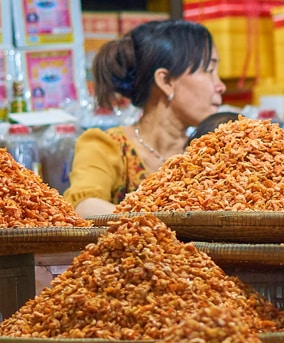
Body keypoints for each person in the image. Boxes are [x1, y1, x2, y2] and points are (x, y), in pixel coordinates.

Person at [63, 20, 226, 217]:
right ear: (165, 81)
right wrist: (158, 227)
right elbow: (83, 206)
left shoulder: (207, 153)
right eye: (209, 71)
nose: (220, 86)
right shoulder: (106, 146)